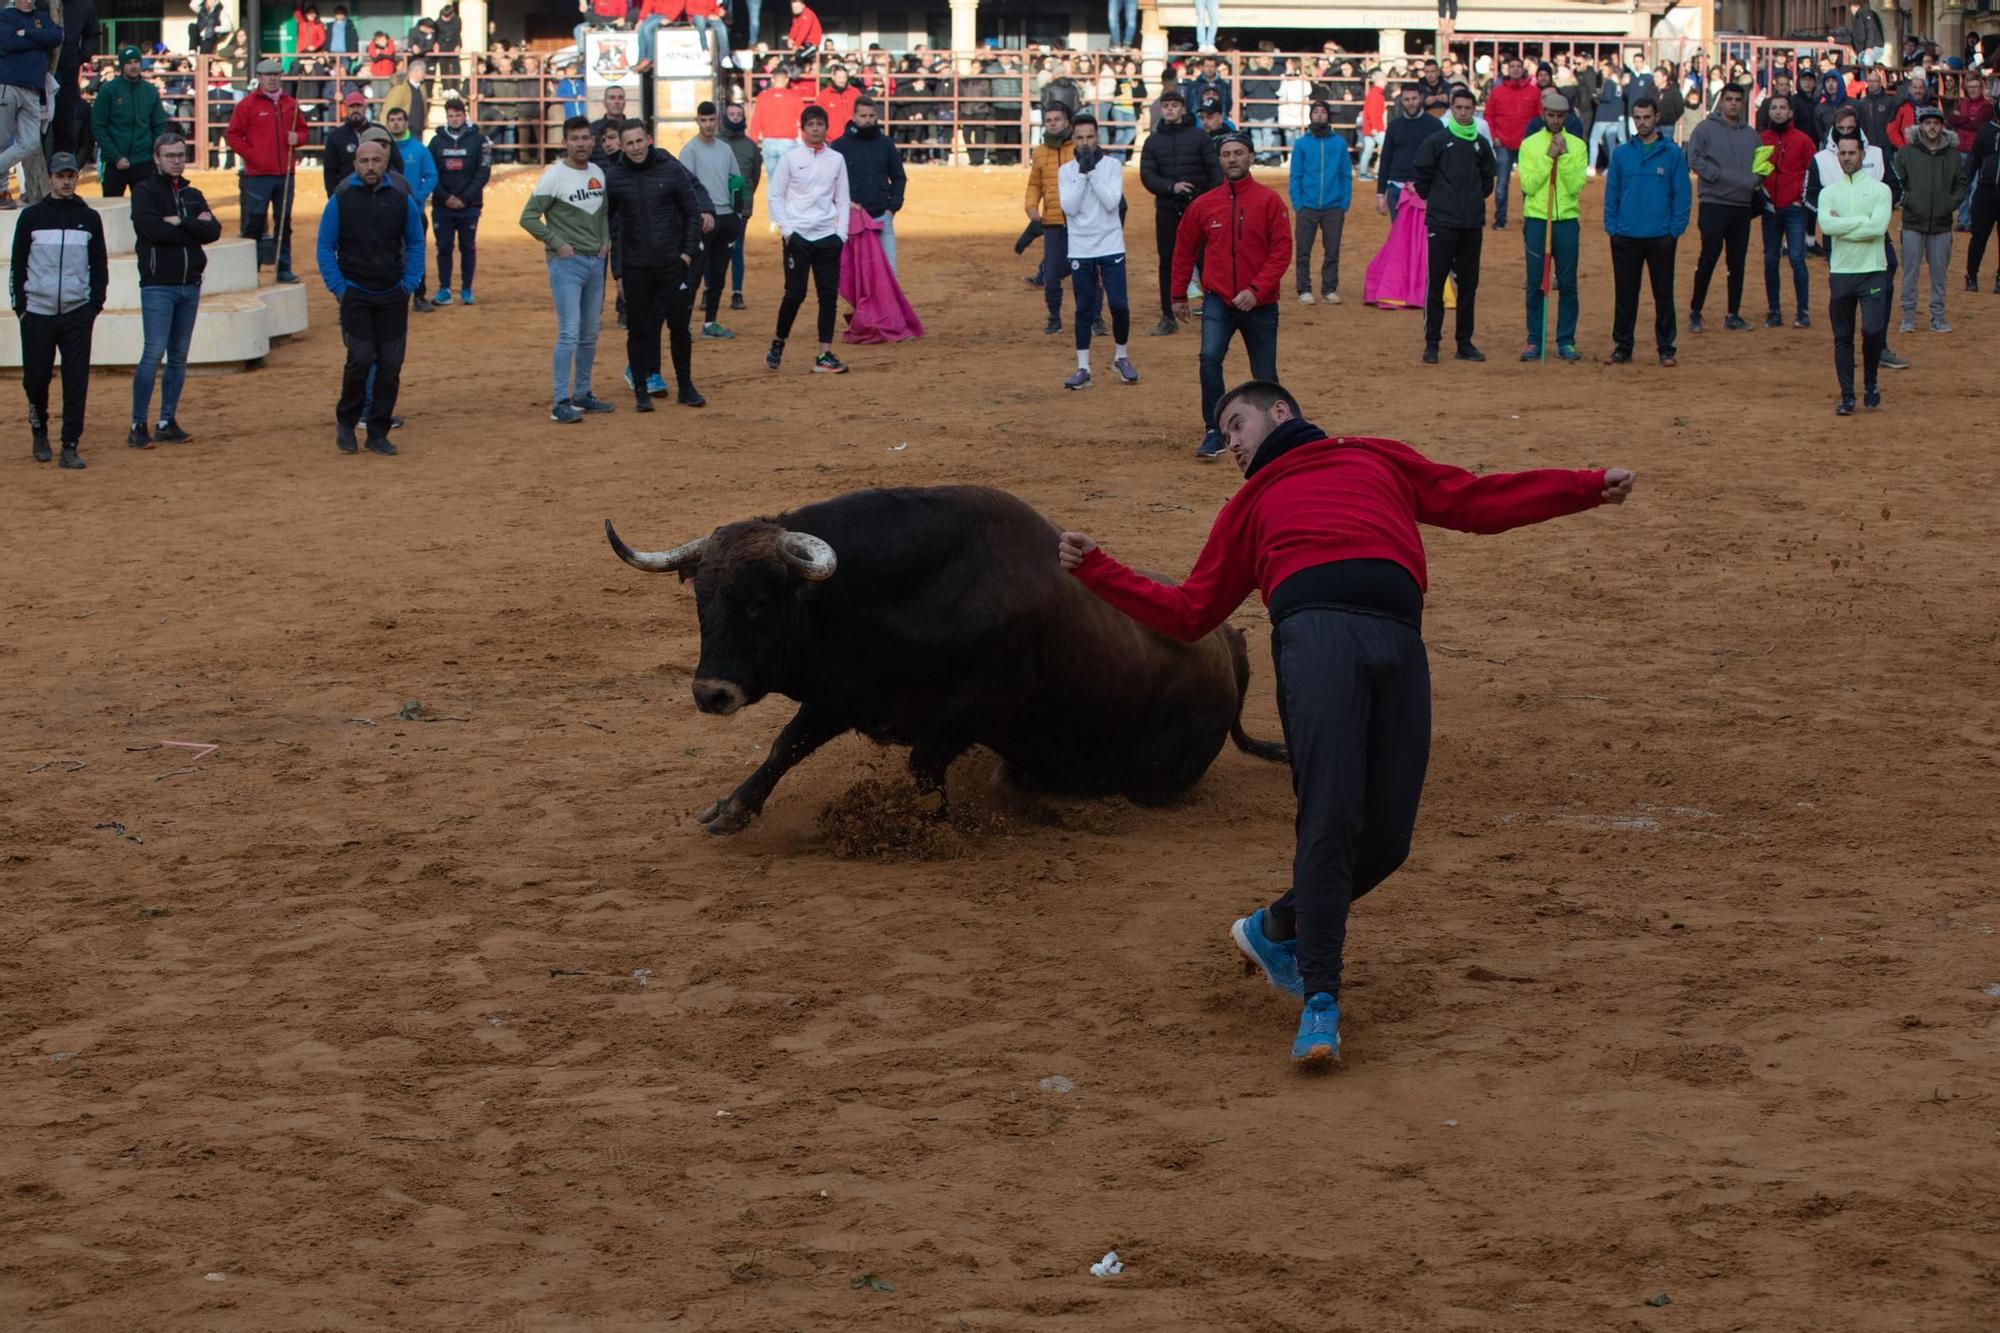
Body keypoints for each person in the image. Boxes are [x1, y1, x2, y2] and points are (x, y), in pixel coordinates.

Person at [1055, 380, 1636, 1068]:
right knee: (1330, 813)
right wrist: (1099, 570)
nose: (1231, 443)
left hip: (1397, 640)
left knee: (1387, 837)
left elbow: (1475, 502)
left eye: (1236, 423)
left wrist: (1585, 486)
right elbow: (1190, 611)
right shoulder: (1249, 503)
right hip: (1315, 637)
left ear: (1280, 412)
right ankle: (1320, 1002)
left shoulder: (1375, 457)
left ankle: (1276, 926)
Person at [1172, 133, 1289, 459]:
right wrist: (1178, 293)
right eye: (1226, 154)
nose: (1233, 159)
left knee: (1265, 373)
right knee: (1209, 361)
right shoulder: (1205, 204)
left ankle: (1275, 431)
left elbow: (1281, 251)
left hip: (1260, 303)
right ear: (1220, 160)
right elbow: (1183, 247)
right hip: (1218, 300)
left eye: (1238, 153)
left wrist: (1256, 290)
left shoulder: (1269, 201)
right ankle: (1214, 429)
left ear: (1250, 156)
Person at [317, 136, 424, 454]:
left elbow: (416, 242)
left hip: (393, 292)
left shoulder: (401, 198)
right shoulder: (342, 198)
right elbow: (325, 246)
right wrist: (338, 287)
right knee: (360, 360)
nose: (370, 167)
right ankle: (346, 423)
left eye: (376, 160)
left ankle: (378, 431)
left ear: (385, 163)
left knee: (391, 366)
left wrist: (411, 281)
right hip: (356, 294)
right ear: (355, 165)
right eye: (364, 161)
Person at [605, 118, 708, 409]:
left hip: (670, 264)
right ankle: (641, 392)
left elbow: (692, 211)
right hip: (636, 267)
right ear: (622, 147)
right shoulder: (615, 178)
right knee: (638, 330)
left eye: (640, 141)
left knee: (679, 327)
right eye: (629, 144)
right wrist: (618, 272)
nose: (636, 148)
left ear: (648, 139)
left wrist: (686, 254)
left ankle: (685, 387)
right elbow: (609, 228)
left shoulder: (671, 169)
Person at [12, 153, 105, 469]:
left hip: (77, 312)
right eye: (60, 176)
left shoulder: (90, 218)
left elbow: (99, 266)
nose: (66, 181)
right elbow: (18, 264)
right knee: (35, 380)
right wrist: (21, 308)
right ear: (50, 178)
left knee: (76, 380)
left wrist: (94, 305)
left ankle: (70, 444)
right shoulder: (31, 217)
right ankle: (39, 431)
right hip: (37, 312)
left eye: (71, 176)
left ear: (77, 178)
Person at [520, 115, 615, 425]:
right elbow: (529, 217)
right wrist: (556, 242)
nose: (581, 144)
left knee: (589, 333)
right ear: (565, 142)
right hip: (567, 263)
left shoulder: (598, 172)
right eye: (575, 139)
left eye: (586, 138)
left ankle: (582, 393)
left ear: (593, 141)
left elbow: (602, 213)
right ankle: (560, 399)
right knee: (570, 332)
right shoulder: (554, 176)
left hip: (595, 261)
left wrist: (605, 240)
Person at [127, 134, 218, 447]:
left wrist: (180, 222)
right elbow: (151, 230)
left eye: (180, 154)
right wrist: (193, 228)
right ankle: (138, 423)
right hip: (159, 284)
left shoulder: (193, 193)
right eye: (170, 155)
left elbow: (214, 231)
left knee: (178, 356)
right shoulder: (144, 192)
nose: (176, 160)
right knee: (153, 354)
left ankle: (166, 420)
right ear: (156, 158)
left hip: (189, 283)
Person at [1412, 86, 1496, 364]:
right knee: (1436, 282)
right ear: (1451, 110)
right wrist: (1439, 201)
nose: (1462, 113)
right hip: (1442, 221)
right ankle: (1432, 342)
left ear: (1474, 111)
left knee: (1469, 284)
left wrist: (1470, 201)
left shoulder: (1481, 144)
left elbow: (1487, 181)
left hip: (1471, 223)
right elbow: (1422, 177)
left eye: (1467, 108)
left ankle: (1464, 342)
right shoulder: (1437, 141)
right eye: (1458, 108)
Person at [1603, 97, 1689, 365]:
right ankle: (1623, 346)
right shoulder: (1621, 153)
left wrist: (1674, 230)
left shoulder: (1673, 154)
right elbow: (1612, 194)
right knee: (1625, 294)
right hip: (1626, 235)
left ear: (1656, 117)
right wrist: (1613, 228)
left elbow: (1682, 196)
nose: (1642, 122)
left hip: (1661, 236)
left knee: (1663, 294)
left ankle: (1666, 348)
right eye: (1637, 118)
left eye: (1646, 117)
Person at [766, 104, 850, 375]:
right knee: (795, 294)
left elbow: (843, 198)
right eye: (811, 124)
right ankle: (779, 340)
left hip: (827, 236)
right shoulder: (791, 159)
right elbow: (775, 195)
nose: (816, 128)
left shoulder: (836, 159)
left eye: (820, 124)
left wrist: (842, 234)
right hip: (799, 235)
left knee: (828, 297)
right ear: (803, 129)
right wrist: (788, 232)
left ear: (826, 127)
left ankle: (824, 353)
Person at [1057, 113, 1137, 390]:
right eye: (1080, 138)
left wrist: (1091, 172)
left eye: (1090, 137)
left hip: (1110, 244)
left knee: (1119, 305)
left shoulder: (1112, 166)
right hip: (1081, 247)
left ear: (1097, 136)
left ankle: (1121, 357)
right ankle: (1083, 366)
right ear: (1073, 140)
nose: (1086, 143)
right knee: (1084, 308)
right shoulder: (1066, 171)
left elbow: (1111, 202)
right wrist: (1082, 175)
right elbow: (1070, 208)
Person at [1818, 132, 1891, 414]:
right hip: (1841, 271)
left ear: (1862, 155)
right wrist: (1862, 221)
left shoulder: (1880, 190)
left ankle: (1870, 378)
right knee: (1842, 336)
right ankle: (1847, 395)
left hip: (1872, 269)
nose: (1847, 158)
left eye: (1852, 153)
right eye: (1843, 153)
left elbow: (1877, 228)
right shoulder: (1828, 193)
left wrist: (1846, 225)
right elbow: (1826, 226)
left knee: (1872, 331)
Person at [1138, 89, 1218, 335]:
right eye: (1166, 105)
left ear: (1183, 109)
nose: (1170, 109)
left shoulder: (1199, 137)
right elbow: (1147, 176)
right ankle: (1167, 314)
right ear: (1161, 109)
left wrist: (1206, 199)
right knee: (1168, 261)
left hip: (1198, 208)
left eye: (1174, 105)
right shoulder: (1153, 141)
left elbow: (1214, 171)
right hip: (1168, 208)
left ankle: (1213, 312)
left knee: (1206, 260)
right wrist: (1171, 187)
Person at [1514, 91, 1586, 361]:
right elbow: (1528, 185)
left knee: (1567, 283)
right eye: (1551, 115)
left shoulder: (1577, 145)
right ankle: (1534, 340)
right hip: (1536, 219)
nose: (1555, 120)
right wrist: (1548, 158)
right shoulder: (1530, 144)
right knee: (1535, 283)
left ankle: (1566, 340)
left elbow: (1575, 186)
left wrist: (1564, 156)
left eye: (1560, 116)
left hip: (1566, 220)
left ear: (1566, 117)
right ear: (1543, 114)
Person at [1686, 83, 1761, 333]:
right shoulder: (1705, 129)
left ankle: (1733, 314)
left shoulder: (1751, 135)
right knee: (1708, 257)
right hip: (1714, 203)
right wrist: (1720, 177)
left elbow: (1761, 166)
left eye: (1738, 100)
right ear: (1722, 101)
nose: (1733, 103)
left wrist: (1755, 181)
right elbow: (1694, 158)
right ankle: (1695, 311)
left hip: (1741, 206)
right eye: (1729, 99)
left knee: (1736, 261)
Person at [226, 60, 305, 284]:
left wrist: (297, 138)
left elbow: (303, 131)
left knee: (284, 223)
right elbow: (233, 135)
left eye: (276, 74)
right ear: (259, 77)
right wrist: (252, 156)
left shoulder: (291, 104)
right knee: (255, 223)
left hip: (285, 174)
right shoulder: (247, 105)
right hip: (258, 175)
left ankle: (283, 268)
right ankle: (252, 269)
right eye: (267, 75)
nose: (272, 78)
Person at [1892, 105, 1967, 333]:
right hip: (1913, 222)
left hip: (1942, 224)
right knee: (1910, 271)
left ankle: (1938, 317)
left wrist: (1949, 204)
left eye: (1936, 123)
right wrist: (1910, 200)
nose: (1932, 127)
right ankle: (1908, 316)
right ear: (1920, 126)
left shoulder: (1953, 156)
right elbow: (1897, 183)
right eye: (1928, 123)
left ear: (1942, 126)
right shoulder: (1906, 153)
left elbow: (1961, 184)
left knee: (1939, 274)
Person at [681, 100, 745, 338]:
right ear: (697, 121)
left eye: (711, 120)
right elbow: (686, 187)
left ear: (717, 120)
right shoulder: (690, 150)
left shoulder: (725, 149)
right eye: (703, 120)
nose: (708, 125)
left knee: (718, 275)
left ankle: (710, 323)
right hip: (703, 219)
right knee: (694, 274)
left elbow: (736, 182)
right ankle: (683, 324)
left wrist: (738, 215)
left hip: (726, 217)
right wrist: (696, 216)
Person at [1759, 93, 1817, 329]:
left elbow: (1811, 173)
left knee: (1796, 258)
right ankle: (1774, 311)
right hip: (1770, 208)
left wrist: (1801, 200)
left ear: (1791, 112)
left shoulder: (1803, 141)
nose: (1779, 112)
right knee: (1771, 259)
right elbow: (1756, 172)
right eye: (1774, 108)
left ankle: (1802, 311)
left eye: (1783, 107)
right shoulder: (1762, 139)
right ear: (1769, 111)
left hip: (1794, 208)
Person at [832, 95, 905, 275]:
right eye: (863, 116)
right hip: (853, 219)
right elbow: (830, 181)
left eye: (871, 116)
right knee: (859, 275)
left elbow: (898, 177)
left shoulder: (886, 143)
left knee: (889, 274)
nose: (868, 120)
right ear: (854, 117)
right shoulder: (840, 146)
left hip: (882, 216)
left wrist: (892, 208)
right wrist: (844, 206)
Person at [428, 97, 490, 306]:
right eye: (450, 116)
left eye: (458, 115)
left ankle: (466, 289)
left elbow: (483, 173)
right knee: (443, 247)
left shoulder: (479, 140)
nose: (454, 119)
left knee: (467, 247)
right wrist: (445, 198)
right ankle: (444, 289)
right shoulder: (436, 141)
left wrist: (464, 198)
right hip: (442, 205)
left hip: (469, 206)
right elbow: (430, 173)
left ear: (465, 115)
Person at [1288, 99, 1350, 306]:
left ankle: (1329, 288)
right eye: (1316, 112)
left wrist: (1344, 203)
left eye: (1323, 112)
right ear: (1311, 116)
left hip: (1334, 206)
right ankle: (1303, 288)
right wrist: (1298, 203)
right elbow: (1295, 175)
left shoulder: (1339, 143)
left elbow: (1345, 175)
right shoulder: (1302, 143)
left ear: (1328, 116)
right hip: (1307, 206)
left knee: (1332, 249)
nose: (1320, 115)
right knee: (1303, 249)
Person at [1025, 101, 1077, 336]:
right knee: (1052, 274)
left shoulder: (1079, 146)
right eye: (1049, 120)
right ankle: (1054, 317)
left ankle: (1095, 318)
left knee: (1087, 272)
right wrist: (1030, 206)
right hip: (1054, 220)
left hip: (1081, 220)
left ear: (1067, 121)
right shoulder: (1040, 152)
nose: (1053, 124)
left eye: (1057, 119)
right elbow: (1035, 183)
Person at [92, 45, 167, 198]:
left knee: (146, 209)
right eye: (129, 63)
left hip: (144, 161)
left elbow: (159, 124)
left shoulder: (150, 91)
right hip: (114, 162)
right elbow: (98, 126)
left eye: (136, 61)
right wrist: (116, 156)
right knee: (112, 207)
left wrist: (152, 151)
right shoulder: (108, 91)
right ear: (122, 65)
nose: (133, 66)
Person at [385, 105, 437, 310]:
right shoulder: (382, 151)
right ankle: (392, 296)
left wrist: (419, 197)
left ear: (406, 123)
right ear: (387, 124)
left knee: (416, 252)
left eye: (399, 119)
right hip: (387, 213)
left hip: (415, 212)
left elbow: (432, 175)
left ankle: (419, 295)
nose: (396, 123)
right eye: (392, 120)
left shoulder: (419, 149)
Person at [1485, 58, 1540, 229]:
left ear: (1523, 70)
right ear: (1507, 70)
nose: (1516, 69)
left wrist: (1533, 139)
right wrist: (1494, 136)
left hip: (1526, 143)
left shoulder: (1534, 92)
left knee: (1527, 183)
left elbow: (1539, 117)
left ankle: (1530, 218)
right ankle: (1500, 219)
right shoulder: (1497, 91)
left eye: (1518, 66)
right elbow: (1489, 115)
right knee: (1501, 183)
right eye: (1512, 66)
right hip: (1503, 141)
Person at [1377, 84, 1442, 222]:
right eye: (1406, 99)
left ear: (1421, 98)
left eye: (1414, 98)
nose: (1411, 103)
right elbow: (1385, 159)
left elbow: (1441, 160)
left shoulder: (1435, 125)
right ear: (1401, 100)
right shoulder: (1394, 126)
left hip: (1426, 190)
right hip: (1397, 188)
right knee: (1400, 238)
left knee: (1424, 238)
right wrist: (1380, 193)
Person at [720, 101, 760, 311]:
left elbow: (755, 176)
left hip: (740, 207)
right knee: (713, 251)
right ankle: (710, 290)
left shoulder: (750, 146)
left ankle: (737, 292)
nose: (735, 117)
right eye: (732, 113)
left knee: (736, 249)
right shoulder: (715, 142)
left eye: (738, 114)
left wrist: (745, 199)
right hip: (717, 205)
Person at [749, 64, 808, 183]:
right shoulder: (794, 96)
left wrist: (752, 143)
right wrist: (806, 140)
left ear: (772, 79)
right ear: (786, 79)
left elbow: (755, 121)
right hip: (788, 143)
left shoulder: (763, 97)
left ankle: (773, 201)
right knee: (789, 181)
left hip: (769, 142)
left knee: (772, 180)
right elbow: (803, 120)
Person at [1966, 111, 2000, 292]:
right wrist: (1965, 183)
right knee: (1979, 236)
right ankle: (1971, 274)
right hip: (1986, 190)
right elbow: (1974, 159)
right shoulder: (1986, 130)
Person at [323, 91, 371, 196]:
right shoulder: (335, 137)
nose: (355, 110)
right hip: (346, 194)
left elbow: (394, 162)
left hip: (374, 193)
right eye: (351, 106)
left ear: (365, 107)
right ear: (345, 108)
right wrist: (333, 196)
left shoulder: (378, 133)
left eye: (358, 106)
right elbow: (329, 171)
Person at [384, 55, 428, 136]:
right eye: (423, 72)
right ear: (416, 72)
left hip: (419, 129)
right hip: (404, 131)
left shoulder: (422, 88)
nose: (425, 75)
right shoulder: (400, 88)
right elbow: (389, 110)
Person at [1845, 0, 1886, 67]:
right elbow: (1853, 37)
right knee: (1861, 64)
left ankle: (1871, 76)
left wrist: (1869, 46)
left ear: (1852, 7)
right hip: (1863, 50)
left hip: (1874, 47)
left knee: (1866, 60)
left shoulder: (1865, 13)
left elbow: (1871, 29)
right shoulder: (1857, 19)